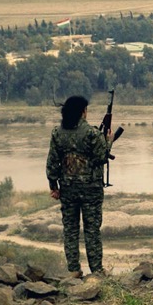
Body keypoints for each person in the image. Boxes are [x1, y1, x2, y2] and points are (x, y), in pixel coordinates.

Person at [47, 96, 112, 278]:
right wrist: (109, 141)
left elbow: (52, 162)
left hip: (67, 189)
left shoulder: (57, 133)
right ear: (83, 111)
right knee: (92, 230)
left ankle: (74, 269)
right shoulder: (92, 133)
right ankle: (97, 269)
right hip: (91, 189)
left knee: (70, 229)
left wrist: (53, 185)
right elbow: (101, 157)